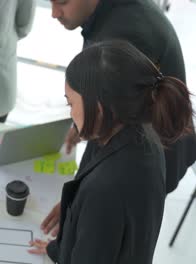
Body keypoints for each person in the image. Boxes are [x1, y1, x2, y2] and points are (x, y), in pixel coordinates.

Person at [41, 0, 196, 240]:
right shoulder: (107, 13)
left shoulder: (123, 34)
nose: (54, 13)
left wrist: (74, 200)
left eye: (62, 2)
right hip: (141, 145)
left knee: (114, 238)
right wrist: (78, 123)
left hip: (155, 154)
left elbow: (107, 127)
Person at [29, 40, 193, 263]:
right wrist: (58, 249)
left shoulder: (105, 188)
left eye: (71, 104)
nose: (71, 114)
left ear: (97, 108)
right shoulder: (145, 137)